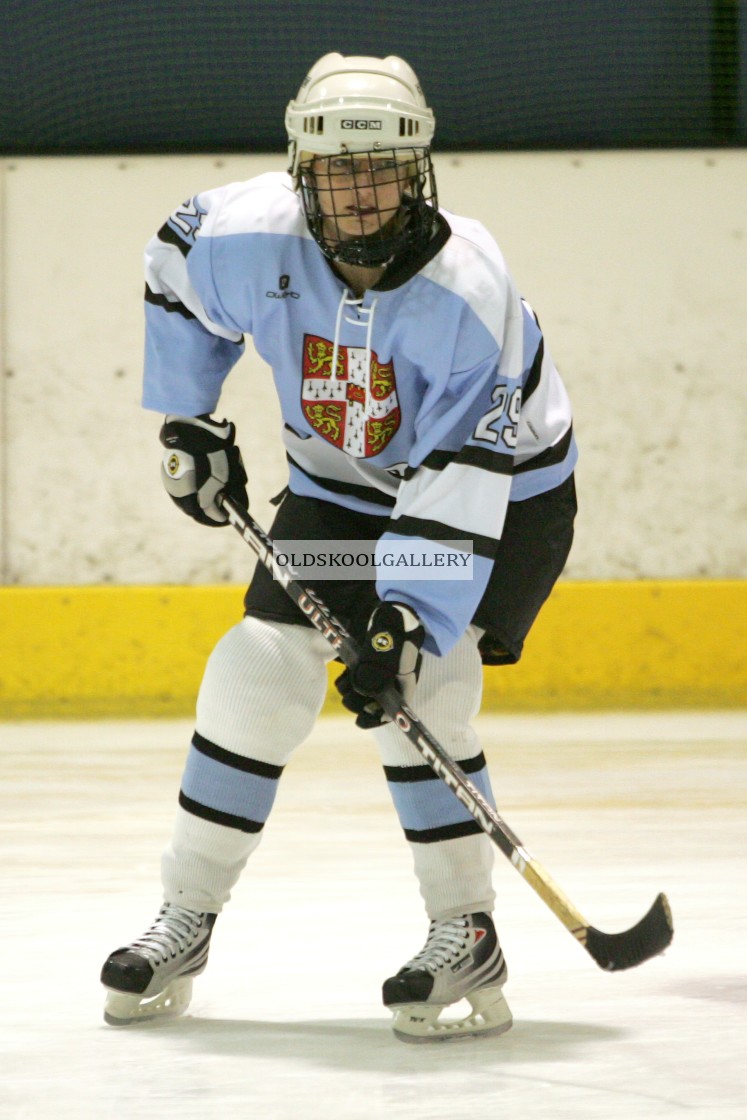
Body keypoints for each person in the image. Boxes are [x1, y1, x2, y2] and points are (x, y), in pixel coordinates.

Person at [100, 52, 577, 1042]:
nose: (359, 194)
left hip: (504, 502)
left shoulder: (467, 286)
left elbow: (461, 474)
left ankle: (466, 929)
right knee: (259, 666)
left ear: (418, 169)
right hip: (341, 498)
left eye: (382, 169)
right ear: (302, 169)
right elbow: (171, 260)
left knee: (423, 682)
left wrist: (404, 614)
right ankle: (187, 913)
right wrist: (189, 420)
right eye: (335, 171)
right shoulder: (242, 233)